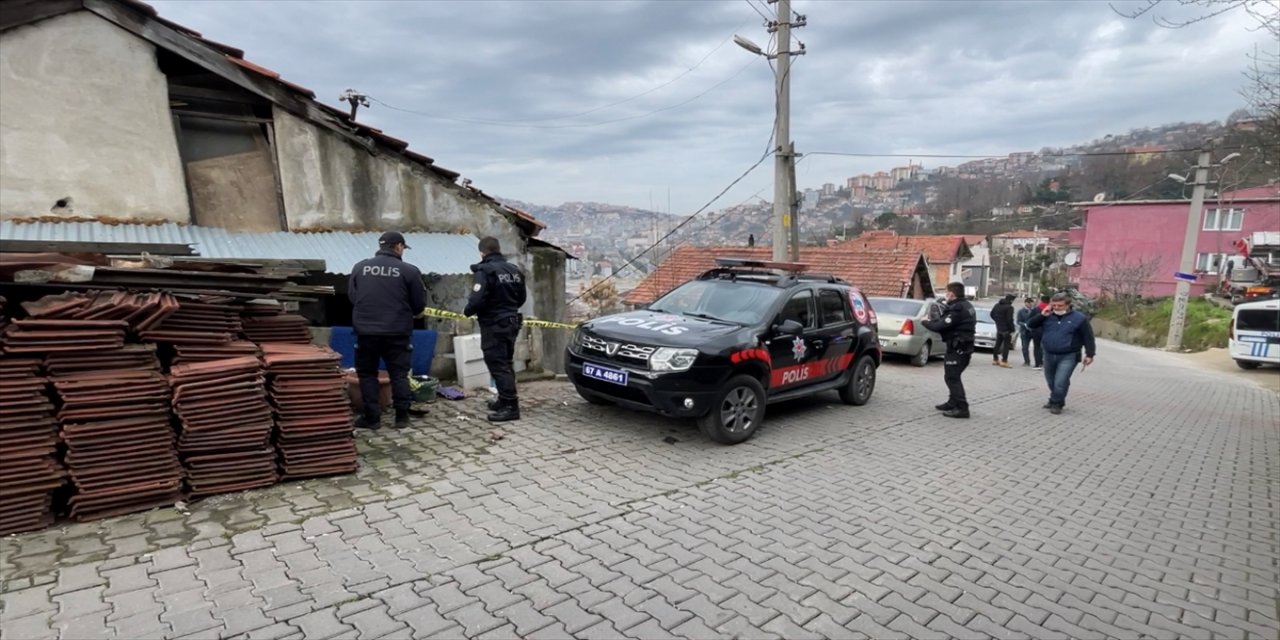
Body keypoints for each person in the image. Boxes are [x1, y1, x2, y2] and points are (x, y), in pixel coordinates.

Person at [348, 231, 426, 429]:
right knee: (399, 374)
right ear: (398, 246)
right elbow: (419, 305)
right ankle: (401, 417)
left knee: (367, 374)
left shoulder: (359, 267)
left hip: (366, 332)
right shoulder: (409, 271)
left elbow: (353, 297)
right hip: (397, 332)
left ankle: (372, 418)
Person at [464, 237, 527, 422]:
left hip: (494, 323)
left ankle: (510, 406)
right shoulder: (514, 270)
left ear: (482, 252)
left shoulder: (485, 271)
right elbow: (521, 298)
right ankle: (504, 399)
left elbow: (476, 299)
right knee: (506, 363)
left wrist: (468, 311)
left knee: (498, 365)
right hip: (511, 321)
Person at [1025, 292, 1096, 415]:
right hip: (1048, 353)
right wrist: (1042, 315)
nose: (1057, 308)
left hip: (1069, 355)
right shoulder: (1047, 316)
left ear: (1068, 305)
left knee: (1060, 381)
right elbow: (1030, 324)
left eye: (1060, 305)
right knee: (1051, 380)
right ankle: (1055, 397)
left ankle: (1057, 403)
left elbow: (1088, 337)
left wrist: (1090, 354)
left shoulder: (1079, 318)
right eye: (1054, 305)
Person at [922, 282, 977, 419]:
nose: (946, 295)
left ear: (952, 294)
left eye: (947, 292)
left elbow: (941, 326)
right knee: (951, 376)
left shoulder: (958, 309)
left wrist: (925, 322)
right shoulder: (967, 305)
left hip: (959, 349)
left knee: (952, 377)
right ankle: (953, 402)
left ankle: (962, 408)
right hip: (961, 347)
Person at [1016, 296, 1043, 368]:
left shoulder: (1036, 310)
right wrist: (1024, 324)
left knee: (1038, 347)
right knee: (1025, 347)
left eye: (1032, 303)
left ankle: (1039, 362)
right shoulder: (1021, 311)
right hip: (1025, 332)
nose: (1031, 305)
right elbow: (1018, 321)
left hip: (1035, 331)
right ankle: (1027, 361)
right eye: (1030, 303)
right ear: (1026, 303)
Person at [990, 294, 1015, 368]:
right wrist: (1012, 329)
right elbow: (1009, 319)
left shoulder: (997, 305)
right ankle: (1004, 361)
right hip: (1006, 329)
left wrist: (998, 321)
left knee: (997, 344)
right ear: (1011, 300)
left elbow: (991, 314)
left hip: (999, 327)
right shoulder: (1009, 307)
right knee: (1006, 346)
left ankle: (995, 359)